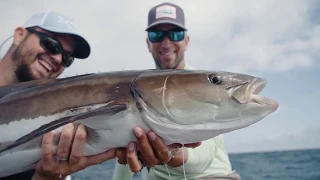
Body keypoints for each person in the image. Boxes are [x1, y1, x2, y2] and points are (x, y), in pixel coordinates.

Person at [112, 2, 241, 180]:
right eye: (157, 35)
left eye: (175, 34)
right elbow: (125, 151)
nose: (166, 43)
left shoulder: (208, 84)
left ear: (186, 41)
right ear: (148, 43)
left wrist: (171, 153)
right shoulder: (138, 89)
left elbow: (205, 154)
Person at [0, 10, 116, 180]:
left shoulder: (56, 150)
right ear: (19, 35)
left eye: (67, 58)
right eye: (51, 44)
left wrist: (46, 177)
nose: (58, 58)